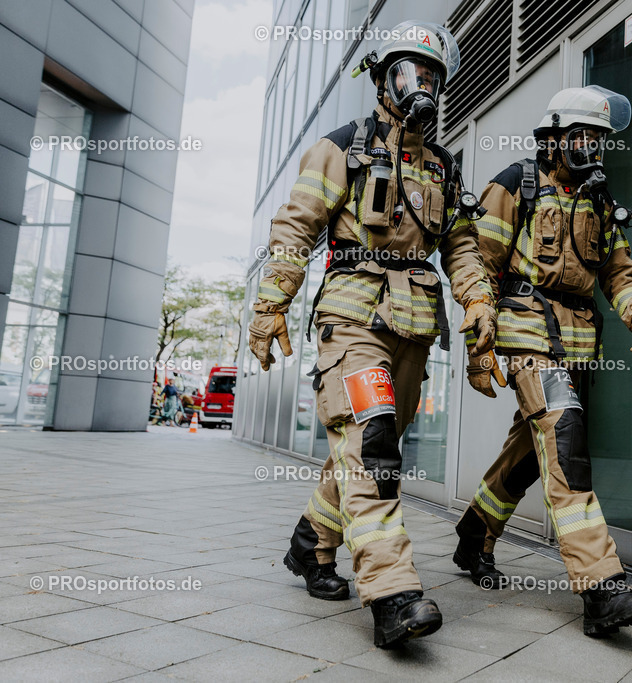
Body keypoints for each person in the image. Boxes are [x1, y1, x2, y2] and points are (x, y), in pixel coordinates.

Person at [247, 21, 497, 648]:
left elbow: (462, 245)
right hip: (352, 317)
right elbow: (296, 227)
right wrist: (270, 304)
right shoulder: (342, 147)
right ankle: (392, 593)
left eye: (431, 76)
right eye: (407, 72)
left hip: (414, 327)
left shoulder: (442, 167)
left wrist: (477, 302)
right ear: (382, 80)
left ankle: (310, 546)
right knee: (374, 445)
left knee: (360, 449)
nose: (421, 86)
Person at [453, 85, 632, 637]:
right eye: (580, 137)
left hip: (579, 344)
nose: (590, 149)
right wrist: (479, 349)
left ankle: (474, 534)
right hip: (526, 332)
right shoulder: (516, 183)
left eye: (598, 140)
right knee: (566, 445)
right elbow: (481, 263)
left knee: (531, 453)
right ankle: (602, 588)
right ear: (551, 138)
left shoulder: (597, 199)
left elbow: (619, 273)